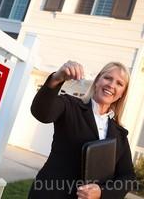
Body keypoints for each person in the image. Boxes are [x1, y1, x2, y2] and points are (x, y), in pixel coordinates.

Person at [28, 61, 136, 199]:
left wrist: (102, 192)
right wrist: (56, 78)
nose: (111, 85)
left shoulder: (119, 134)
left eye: (119, 83)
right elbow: (42, 113)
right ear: (97, 81)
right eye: (108, 78)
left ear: (121, 94)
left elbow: (128, 177)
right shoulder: (70, 105)